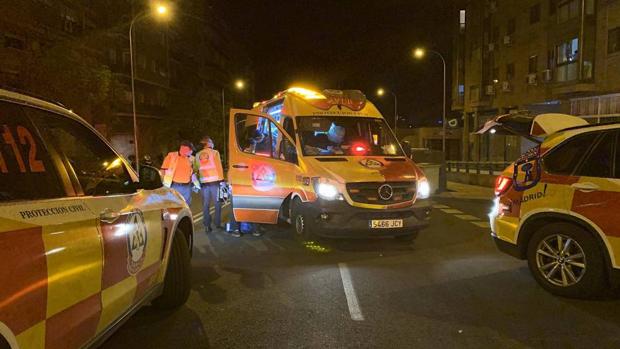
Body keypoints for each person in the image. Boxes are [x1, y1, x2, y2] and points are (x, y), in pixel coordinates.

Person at [194, 136, 224, 233]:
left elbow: (195, 169)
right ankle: (217, 223)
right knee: (217, 204)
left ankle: (207, 225)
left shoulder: (197, 155)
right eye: (211, 142)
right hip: (215, 182)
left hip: (204, 184)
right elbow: (219, 167)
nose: (212, 143)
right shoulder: (215, 152)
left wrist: (197, 182)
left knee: (205, 205)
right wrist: (222, 181)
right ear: (208, 143)